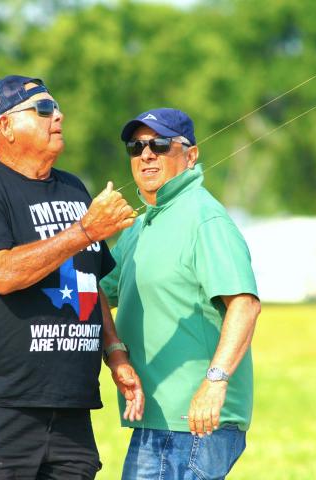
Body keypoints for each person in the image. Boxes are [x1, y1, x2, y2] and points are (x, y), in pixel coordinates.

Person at [0, 75, 144, 480]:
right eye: (44, 109)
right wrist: (84, 231)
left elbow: (91, 282)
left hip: (70, 413)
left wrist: (115, 355)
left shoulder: (74, 188)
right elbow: (4, 273)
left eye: (57, 107)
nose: (58, 115)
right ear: (6, 127)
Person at [100, 108, 261, 479]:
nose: (146, 154)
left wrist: (215, 381)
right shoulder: (141, 226)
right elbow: (96, 292)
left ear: (190, 155)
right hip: (152, 419)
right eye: (136, 146)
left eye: (159, 144)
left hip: (194, 422)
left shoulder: (205, 218)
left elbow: (245, 305)